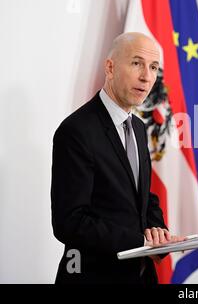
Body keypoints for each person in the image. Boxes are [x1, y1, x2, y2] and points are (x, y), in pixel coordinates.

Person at [51, 32, 184, 284]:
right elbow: (70, 221)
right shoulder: (76, 131)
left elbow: (143, 197)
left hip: (142, 276)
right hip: (94, 276)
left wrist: (159, 235)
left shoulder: (138, 128)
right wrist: (140, 243)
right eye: (136, 63)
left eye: (153, 67)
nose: (146, 76)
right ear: (110, 68)